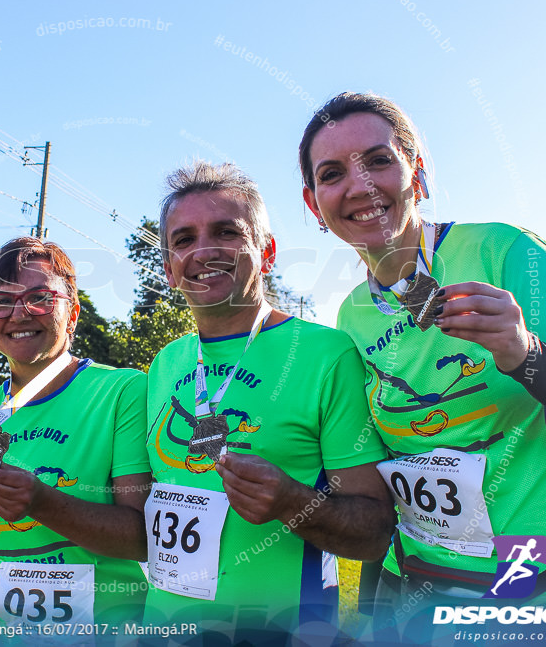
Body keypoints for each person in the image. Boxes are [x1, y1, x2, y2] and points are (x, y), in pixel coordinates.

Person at [299, 92, 546, 641]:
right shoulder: (351, 313)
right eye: (333, 173)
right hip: (417, 598)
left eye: (379, 160)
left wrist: (528, 355)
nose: (359, 186)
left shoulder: (503, 252)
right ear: (315, 204)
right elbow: (392, 467)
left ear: (416, 172)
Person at [144, 161, 395, 643]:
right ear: (169, 269)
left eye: (226, 232)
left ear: (267, 251)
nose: (204, 251)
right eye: (183, 239)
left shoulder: (327, 353)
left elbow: (374, 529)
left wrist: (292, 502)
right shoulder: (165, 363)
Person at [0, 236, 150, 631]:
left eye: (39, 298)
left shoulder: (123, 392)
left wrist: (42, 501)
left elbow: (144, 537)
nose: (19, 314)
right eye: (1, 302)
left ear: (73, 313)